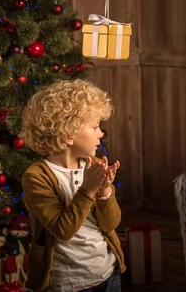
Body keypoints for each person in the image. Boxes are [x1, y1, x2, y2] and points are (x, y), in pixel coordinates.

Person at [20, 79, 126, 292]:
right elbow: (63, 230)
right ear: (67, 135)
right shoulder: (37, 177)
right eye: (95, 126)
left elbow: (110, 223)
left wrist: (105, 190)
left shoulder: (94, 165)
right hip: (67, 283)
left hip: (107, 273)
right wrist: (88, 189)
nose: (100, 133)